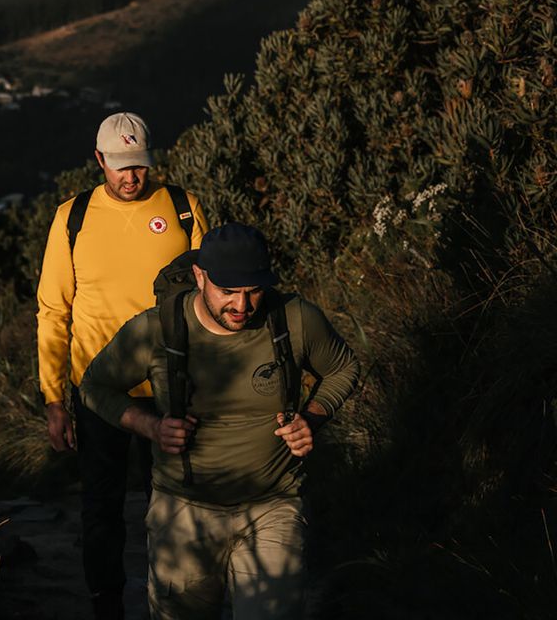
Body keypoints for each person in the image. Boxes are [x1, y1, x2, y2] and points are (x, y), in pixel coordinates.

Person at [80, 222, 360, 620]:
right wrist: (151, 427)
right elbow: (94, 385)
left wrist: (312, 418)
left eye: (253, 292)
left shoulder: (293, 319)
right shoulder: (156, 329)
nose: (242, 307)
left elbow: (343, 367)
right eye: (227, 291)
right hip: (183, 511)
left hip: (273, 505)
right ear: (200, 276)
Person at [37, 111, 208, 619]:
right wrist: (53, 400)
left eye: (138, 165)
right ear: (99, 161)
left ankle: (177, 602)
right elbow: (53, 310)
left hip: (174, 386)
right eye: (119, 166)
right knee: (102, 510)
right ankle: (106, 605)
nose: (131, 176)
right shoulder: (72, 218)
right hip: (98, 392)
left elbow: (213, 295)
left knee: (178, 505)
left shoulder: (181, 208)